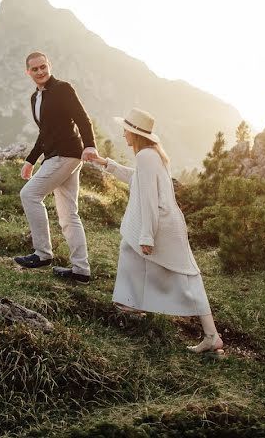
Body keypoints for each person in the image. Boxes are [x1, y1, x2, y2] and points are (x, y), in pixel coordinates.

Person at [90, 108, 225, 354]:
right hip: (165, 222)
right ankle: (132, 304)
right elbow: (137, 180)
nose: (123, 134)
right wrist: (106, 164)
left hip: (163, 225)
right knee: (131, 250)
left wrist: (147, 235)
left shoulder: (146, 157)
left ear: (134, 133)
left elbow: (150, 199)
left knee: (186, 277)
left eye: (126, 130)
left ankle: (212, 336)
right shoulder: (150, 155)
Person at [13, 51, 99, 284]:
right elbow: (45, 133)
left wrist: (90, 145)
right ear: (28, 72)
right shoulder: (35, 98)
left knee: (29, 194)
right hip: (56, 155)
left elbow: (82, 118)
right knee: (68, 214)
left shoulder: (63, 89)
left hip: (66, 154)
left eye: (43, 67)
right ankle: (81, 270)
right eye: (35, 69)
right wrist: (31, 160)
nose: (40, 71)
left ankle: (42, 254)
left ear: (49, 66)